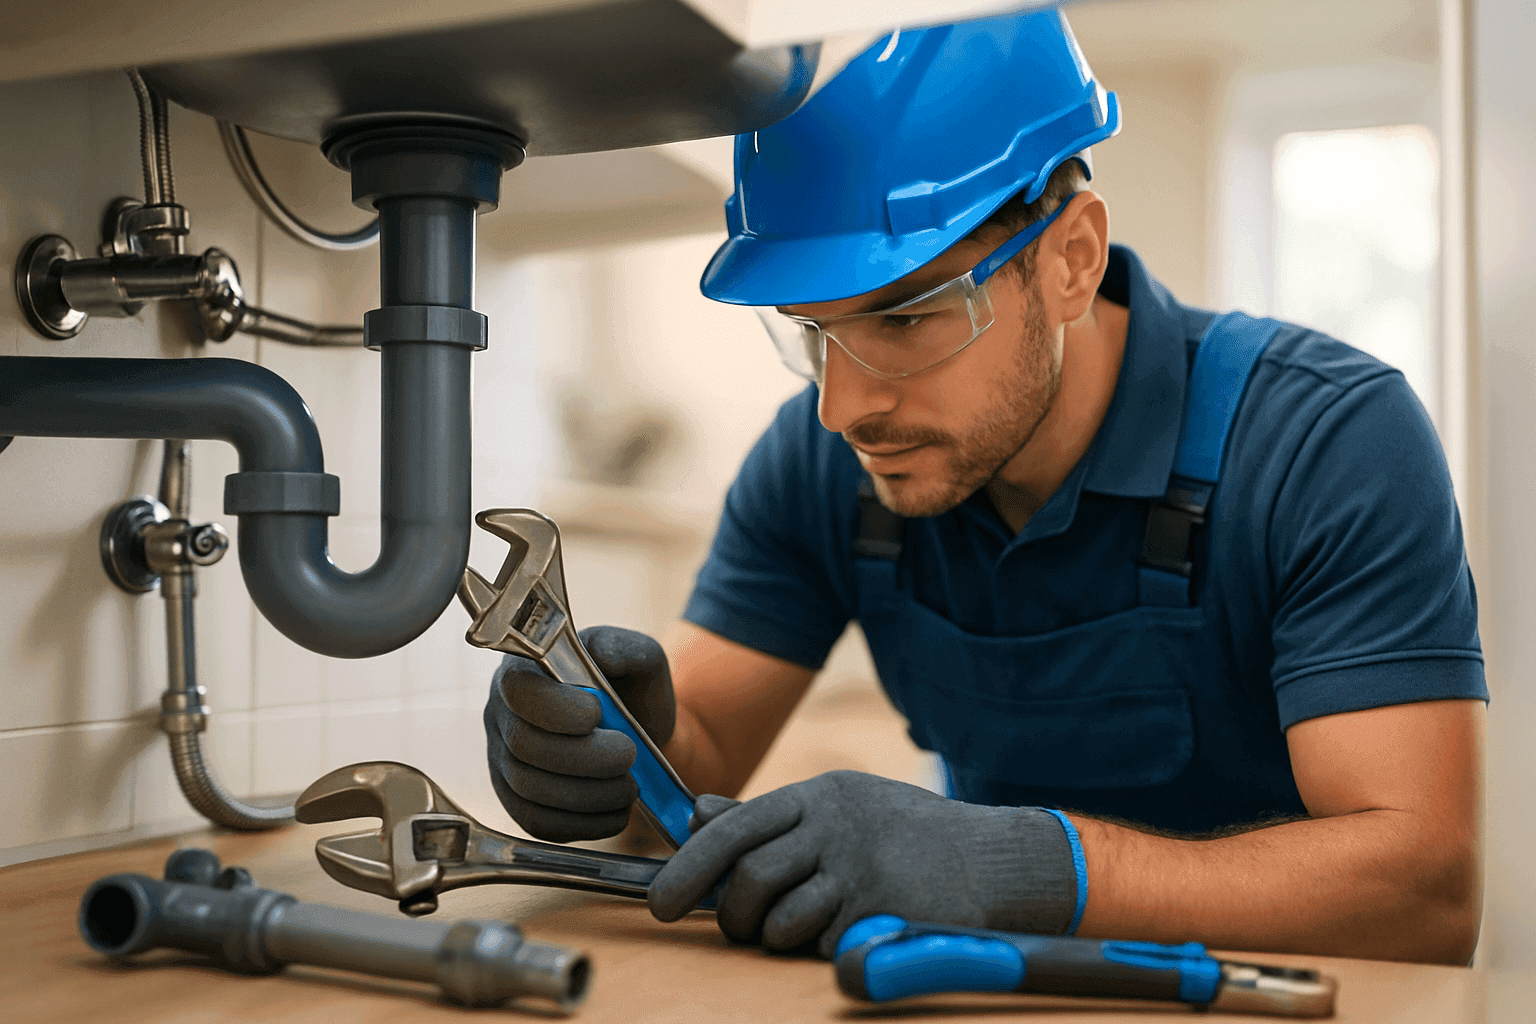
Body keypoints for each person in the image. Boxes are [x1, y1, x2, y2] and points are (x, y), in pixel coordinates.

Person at [484, 9, 1486, 965]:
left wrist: (1028, 865)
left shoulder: (1326, 439)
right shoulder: (820, 459)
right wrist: (612, 750)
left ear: (1071, 260)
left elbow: (1425, 890)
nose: (844, 407)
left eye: (908, 318)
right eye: (812, 331)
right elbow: (690, 775)